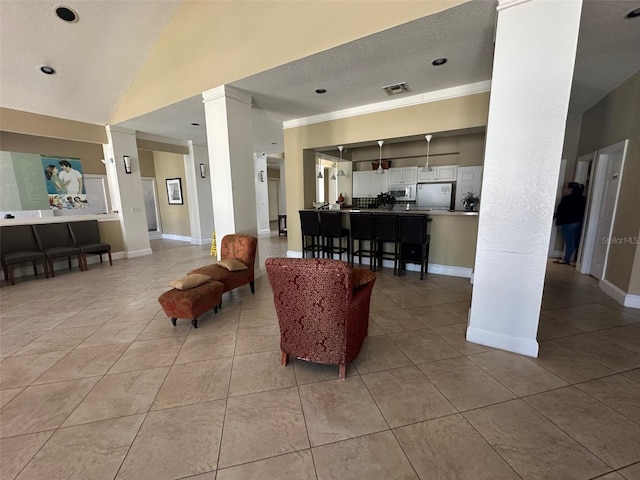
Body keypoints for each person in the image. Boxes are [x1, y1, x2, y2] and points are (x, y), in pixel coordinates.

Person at [554, 182, 586, 265]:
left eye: (565, 187)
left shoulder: (566, 199)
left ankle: (566, 259)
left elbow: (560, 211)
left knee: (569, 241)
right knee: (575, 241)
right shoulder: (583, 199)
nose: (564, 189)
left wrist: (555, 217)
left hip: (567, 223)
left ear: (570, 189)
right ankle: (576, 260)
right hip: (577, 222)